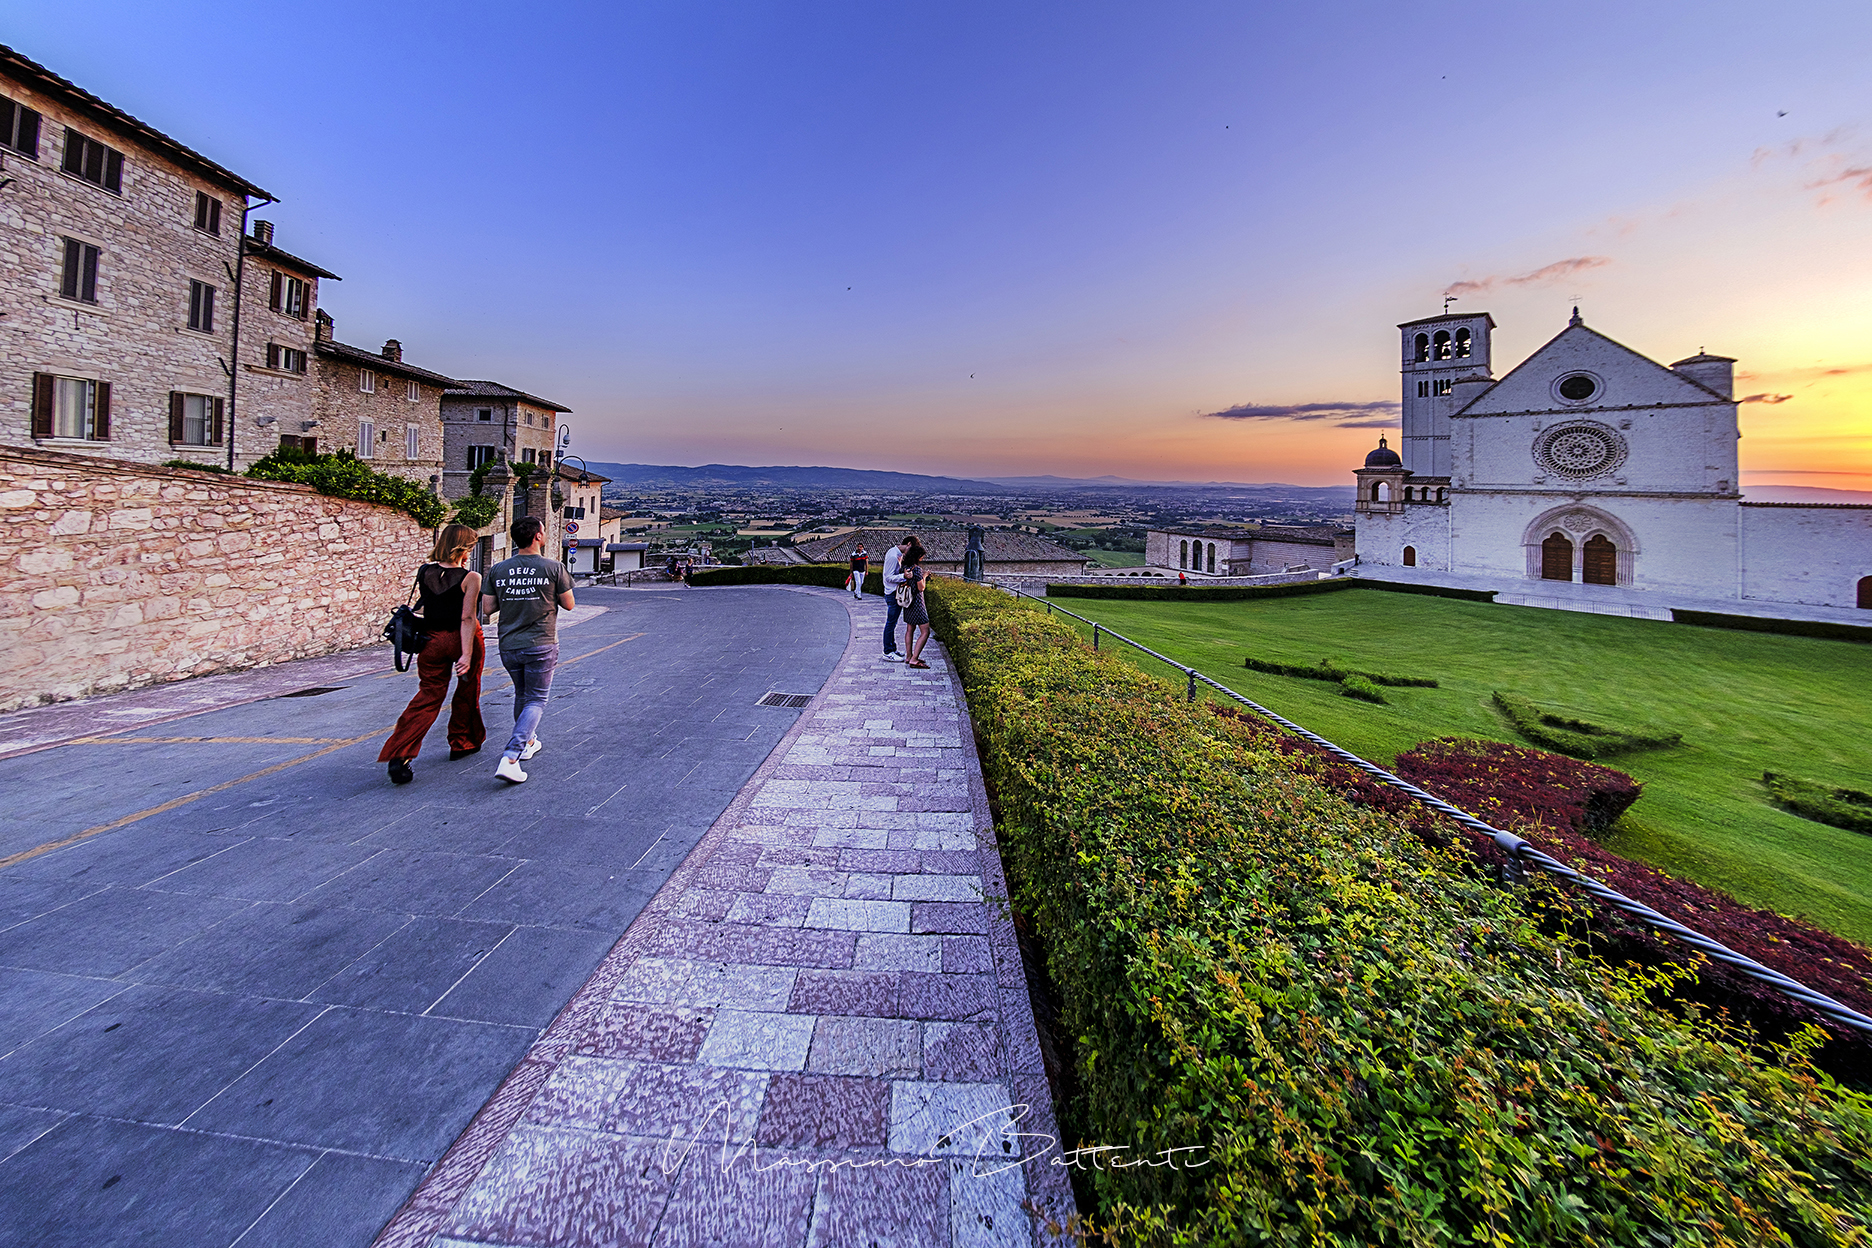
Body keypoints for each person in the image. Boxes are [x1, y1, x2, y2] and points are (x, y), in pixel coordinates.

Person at [378, 524, 486, 784]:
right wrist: (466, 654)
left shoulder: (425, 571)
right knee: (467, 690)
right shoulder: (471, 577)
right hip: (462, 639)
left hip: (431, 640)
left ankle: (401, 753)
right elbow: (468, 617)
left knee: (428, 696)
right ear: (464, 548)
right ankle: (463, 742)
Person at [480, 516, 575, 784]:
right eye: (543, 531)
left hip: (509, 644)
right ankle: (511, 756)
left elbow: (487, 609)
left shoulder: (498, 569)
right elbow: (569, 604)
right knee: (536, 700)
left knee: (522, 695)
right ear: (537, 537)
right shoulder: (553, 567)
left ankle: (529, 742)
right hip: (541, 642)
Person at [900, 538, 933, 669]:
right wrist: (925, 576)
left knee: (910, 629)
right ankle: (914, 659)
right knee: (925, 631)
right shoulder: (917, 570)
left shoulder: (904, 567)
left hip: (908, 603)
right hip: (918, 603)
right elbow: (921, 588)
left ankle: (908, 656)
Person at [880, 534, 913, 661]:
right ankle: (887, 651)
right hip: (892, 593)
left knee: (892, 623)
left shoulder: (895, 553)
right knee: (890, 623)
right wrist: (904, 577)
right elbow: (888, 577)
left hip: (893, 592)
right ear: (908, 544)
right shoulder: (894, 556)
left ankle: (892, 649)